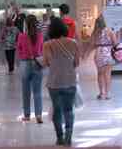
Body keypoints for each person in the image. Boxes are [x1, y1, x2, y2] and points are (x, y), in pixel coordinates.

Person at [43, 17, 79, 146]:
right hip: (70, 80)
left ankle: (60, 137)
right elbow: (76, 63)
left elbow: (47, 62)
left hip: (54, 82)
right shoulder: (73, 43)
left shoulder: (47, 44)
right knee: (68, 110)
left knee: (57, 111)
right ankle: (69, 135)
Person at [17, 15, 44, 123]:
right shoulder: (40, 36)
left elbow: (19, 49)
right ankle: (38, 115)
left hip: (25, 63)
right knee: (37, 92)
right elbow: (42, 49)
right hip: (37, 63)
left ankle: (27, 115)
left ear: (26, 24)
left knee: (25, 92)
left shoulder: (21, 36)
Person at [90, 15, 117, 100]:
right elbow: (115, 43)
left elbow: (92, 44)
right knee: (107, 74)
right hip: (108, 54)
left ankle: (101, 93)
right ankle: (107, 94)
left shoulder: (95, 32)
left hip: (98, 54)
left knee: (100, 74)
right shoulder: (110, 31)